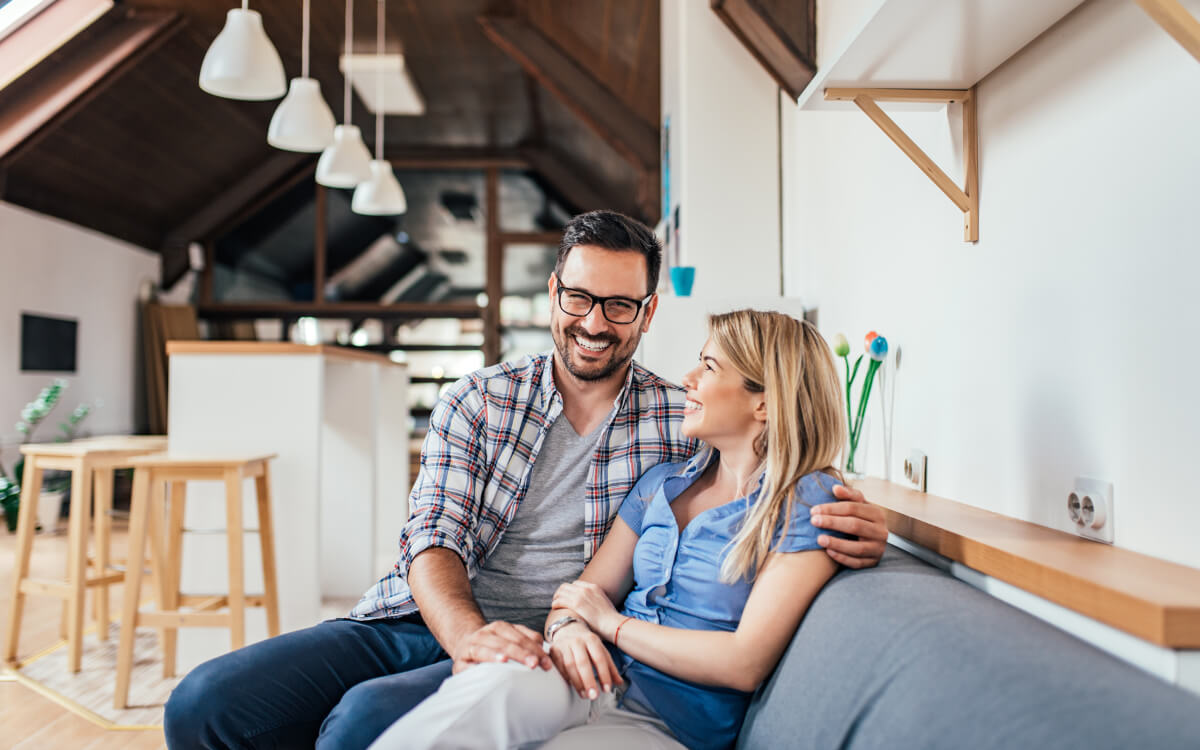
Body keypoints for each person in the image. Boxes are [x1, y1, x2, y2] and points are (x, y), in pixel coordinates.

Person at [163, 211, 888, 750]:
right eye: (578, 298)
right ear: (552, 293)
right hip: (423, 619)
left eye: (619, 306)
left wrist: (867, 519)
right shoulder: (477, 398)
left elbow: (782, 459)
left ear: (647, 313)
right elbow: (433, 535)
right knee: (204, 704)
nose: (594, 323)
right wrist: (468, 635)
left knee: (358, 725)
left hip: (547, 645)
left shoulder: (683, 419)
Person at [368, 309, 848, 750]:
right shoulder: (663, 483)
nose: (689, 380)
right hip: (587, 674)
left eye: (709, 367)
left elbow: (743, 663)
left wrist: (610, 623)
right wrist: (570, 628)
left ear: (763, 403)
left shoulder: (805, 503)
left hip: (667, 721)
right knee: (486, 689)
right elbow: (577, 597)